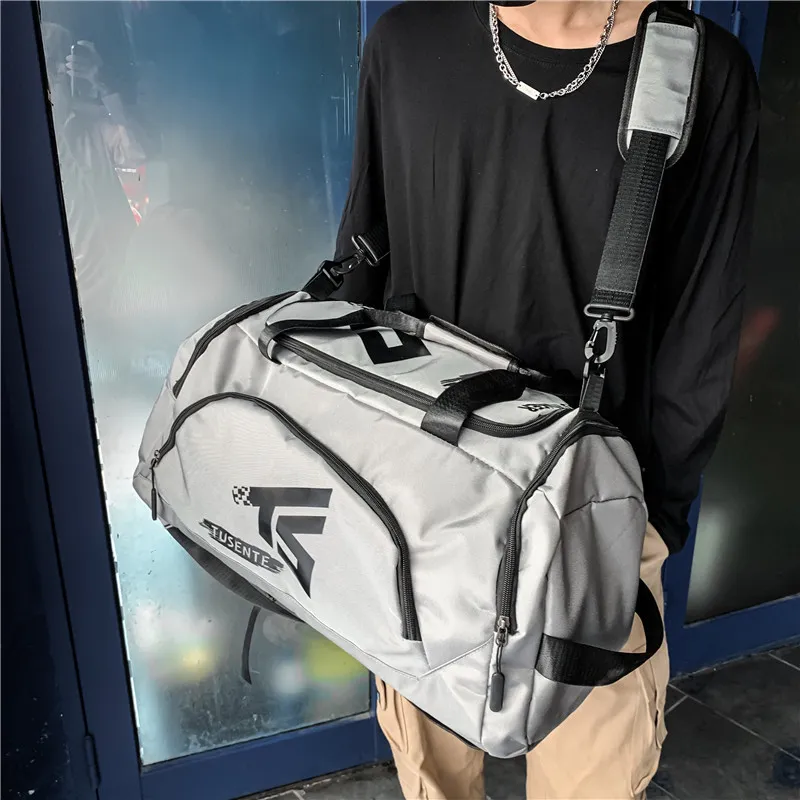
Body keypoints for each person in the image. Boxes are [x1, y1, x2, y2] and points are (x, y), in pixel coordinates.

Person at [334, 2, 759, 798]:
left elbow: (701, 329)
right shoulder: (406, 42)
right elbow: (363, 264)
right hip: (423, 501)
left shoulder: (695, 71)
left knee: (592, 777)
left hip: (597, 516)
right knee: (433, 772)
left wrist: (651, 525)